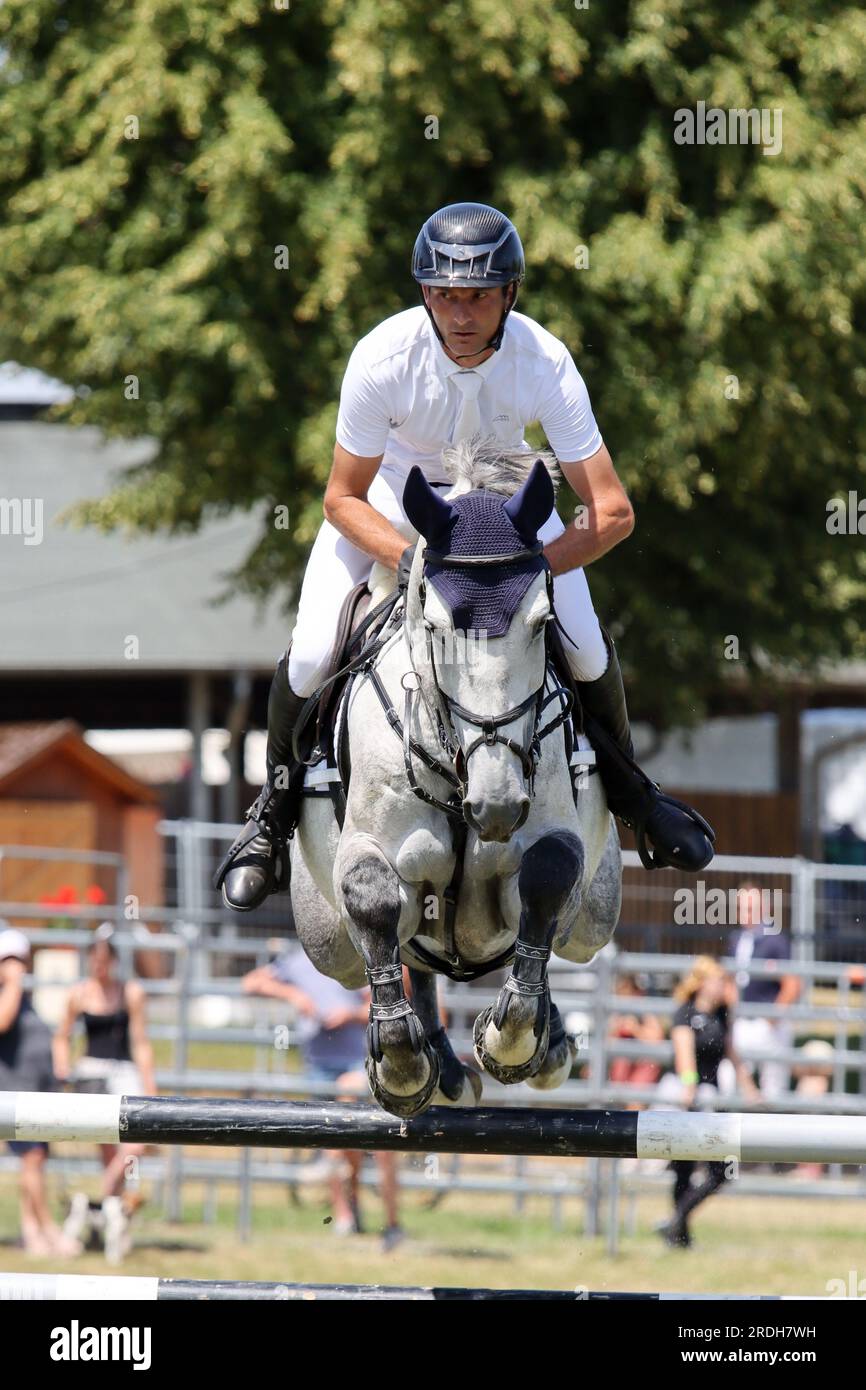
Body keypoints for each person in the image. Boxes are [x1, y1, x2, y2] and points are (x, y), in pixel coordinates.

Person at [214, 201, 714, 911]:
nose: (459, 313)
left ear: (509, 294)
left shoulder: (543, 360)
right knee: (308, 653)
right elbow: (340, 498)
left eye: (477, 295)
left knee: (591, 655)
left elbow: (612, 511)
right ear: (425, 292)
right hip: (397, 503)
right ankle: (271, 812)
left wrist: (532, 568)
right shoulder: (382, 358)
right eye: (444, 294)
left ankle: (635, 798)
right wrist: (420, 564)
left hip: (508, 510)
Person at [243, 949, 404, 1249]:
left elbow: (387, 1006)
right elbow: (251, 983)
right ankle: (346, 1213)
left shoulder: (359, 956)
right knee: (340, 1144)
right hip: (319, 1065)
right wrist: (292, 994)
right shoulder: (298, 960)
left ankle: (390, 1223)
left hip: (359, 1061)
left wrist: (350, 1015)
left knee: (374, 1143)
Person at [53, 924, 156, 1263]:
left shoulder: (130, 992)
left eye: (103, 959)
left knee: (135, 1144)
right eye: (93, 960)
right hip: (91, 1071)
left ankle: (97, 1204)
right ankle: (114, 1223)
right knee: (109, 1153)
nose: (98, 966)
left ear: (112, 960)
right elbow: (62, 1037)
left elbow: (141, 1042)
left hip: (123, 1070)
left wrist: (150, 1087)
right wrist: (64, 1070)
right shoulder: (78, 994)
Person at [655, 957, 759, 1248]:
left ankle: (676, 1221)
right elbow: (683, 1051)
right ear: (701, 982)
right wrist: (689, 1085)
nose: (723, 986)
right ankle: (680, 1235)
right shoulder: (683, 1013)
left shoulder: (723, 1013)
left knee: (724, 1169)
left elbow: (731, 1052)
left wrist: (750, 1087)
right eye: (717, 980)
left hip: (713, 1099)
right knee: (684, 1167)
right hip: (687, 1095)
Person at [0, 927, 78, 1256]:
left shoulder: (24, 998)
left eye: (20, 960)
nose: (16, 966)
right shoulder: (9, 994)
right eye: (10, 960)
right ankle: (48, 1229)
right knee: (32, 1159)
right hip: (14, 1093)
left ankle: (31, 1232)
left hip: (34, 1091)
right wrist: (14, 983)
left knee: (35, 1162)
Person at [728, 882, 801, 1100]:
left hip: (768, 1023)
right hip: (743, 1021)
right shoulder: (737, 939)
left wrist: (771, 1019)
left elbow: (792, 983)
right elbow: (732, 980)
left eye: (750, 908)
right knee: (731, 1080)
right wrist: (733, 1016)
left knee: (773, 1088)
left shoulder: (776, 940)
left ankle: (773, 1134)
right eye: (740, 908)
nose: (744, 914)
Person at [608, 973, 665, 1097]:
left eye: (626, 990)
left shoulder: (643, 1008)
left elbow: (657, 1040)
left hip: (642, 1063)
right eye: (620, 992)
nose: (622, 996)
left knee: (635, 1098)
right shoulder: (616, 1009)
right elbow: (606, 1040)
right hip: (621, 1067)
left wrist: (636, 1029)